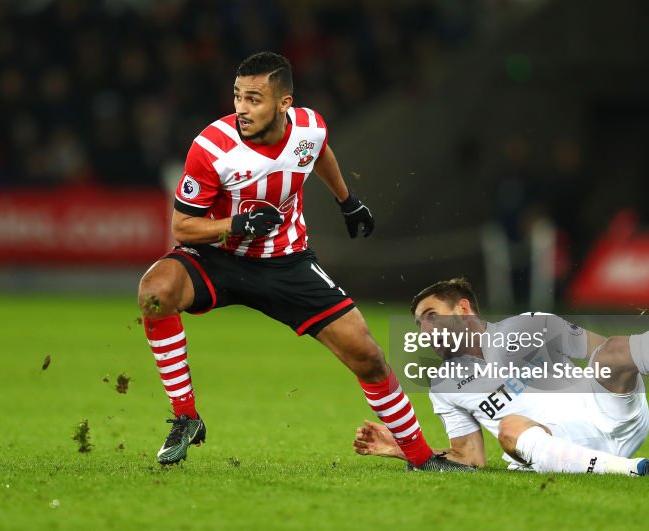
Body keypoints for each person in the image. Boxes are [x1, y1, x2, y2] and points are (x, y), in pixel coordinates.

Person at [137, 52, 471, 472]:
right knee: (154, 293)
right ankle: (186, 417)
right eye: (238, 97)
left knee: (367, 355)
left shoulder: (309, 128)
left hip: (286, 262)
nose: (241, 108)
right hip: (218, 256)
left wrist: (348, 202)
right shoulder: (211, 147)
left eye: (254, 99)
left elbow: (320, 153)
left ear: (283, 103)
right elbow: (182, 227)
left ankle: (421, 460)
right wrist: (236, 223)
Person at [353, 277, 649, 476]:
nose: (423, 330)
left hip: (607, 410)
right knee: (510, 427)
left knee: (614, 348)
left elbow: (617, 351)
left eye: (430, 316)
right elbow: (471, 460)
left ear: (464, 309)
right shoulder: (445, 387)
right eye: (417, 324)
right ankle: (640, 469)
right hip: (550, 444)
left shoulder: (530, 326)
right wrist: (404, 451)